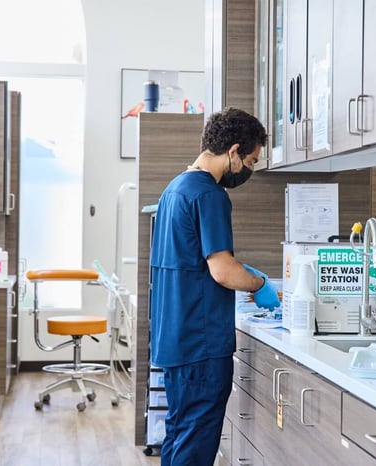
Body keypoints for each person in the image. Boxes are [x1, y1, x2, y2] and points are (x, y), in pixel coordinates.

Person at [149, 107, 281, 465]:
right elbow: (222, 272)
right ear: (234, 150)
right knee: (195, 446)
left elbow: (193, 262)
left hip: (175, 338)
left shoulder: (175, 188)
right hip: (201, 343)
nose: (249, 169)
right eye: (251, 160)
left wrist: (242, 270)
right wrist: (260, 282)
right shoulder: (209, 195)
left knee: (179, 436)